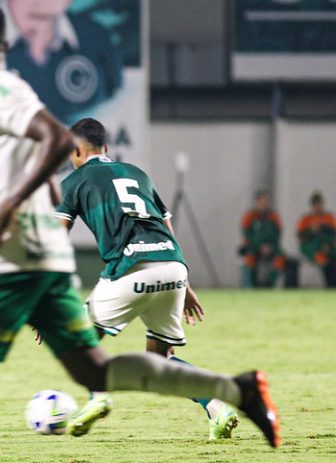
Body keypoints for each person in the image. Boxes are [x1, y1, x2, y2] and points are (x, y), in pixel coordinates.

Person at [0, 5, 279, 463]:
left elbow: (55, 142)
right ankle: (235, 390)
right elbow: (43, 167)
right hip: (47, 257)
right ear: (6, 45)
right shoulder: (7, 95)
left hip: (14, 260)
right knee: (94, 372)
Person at [53, 118, 238, 440]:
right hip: (173, 267)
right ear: (107, 148)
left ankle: (99, 396)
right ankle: (217, 406)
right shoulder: (139, 175)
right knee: (159, 362)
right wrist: (186, 284)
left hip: (131, 268)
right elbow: (166, 229)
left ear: (76, 151)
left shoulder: (74, 182)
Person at [239, 190, 285, 288]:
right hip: (254, 247)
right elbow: (247, 234)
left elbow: (277, 234)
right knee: (249, 259)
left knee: (281, 259)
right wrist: (259, 246)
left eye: (266, 201)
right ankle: (253, 286)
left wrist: (270, 246)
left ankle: (269, 283)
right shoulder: (250, 216)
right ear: (257, 201)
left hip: (271, 247)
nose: (264, 203)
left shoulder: (273, 216)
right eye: (262, 201)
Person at [297, 191, 336, 288]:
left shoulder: (329, 218)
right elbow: (301, 239)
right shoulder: (305, 219)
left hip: (329, 247)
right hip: (314, 249)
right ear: (312, 206)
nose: (319, 207)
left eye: (320, 204)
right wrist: (311, 231)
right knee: (325, 262)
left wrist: (329, 245)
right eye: (316, 204)